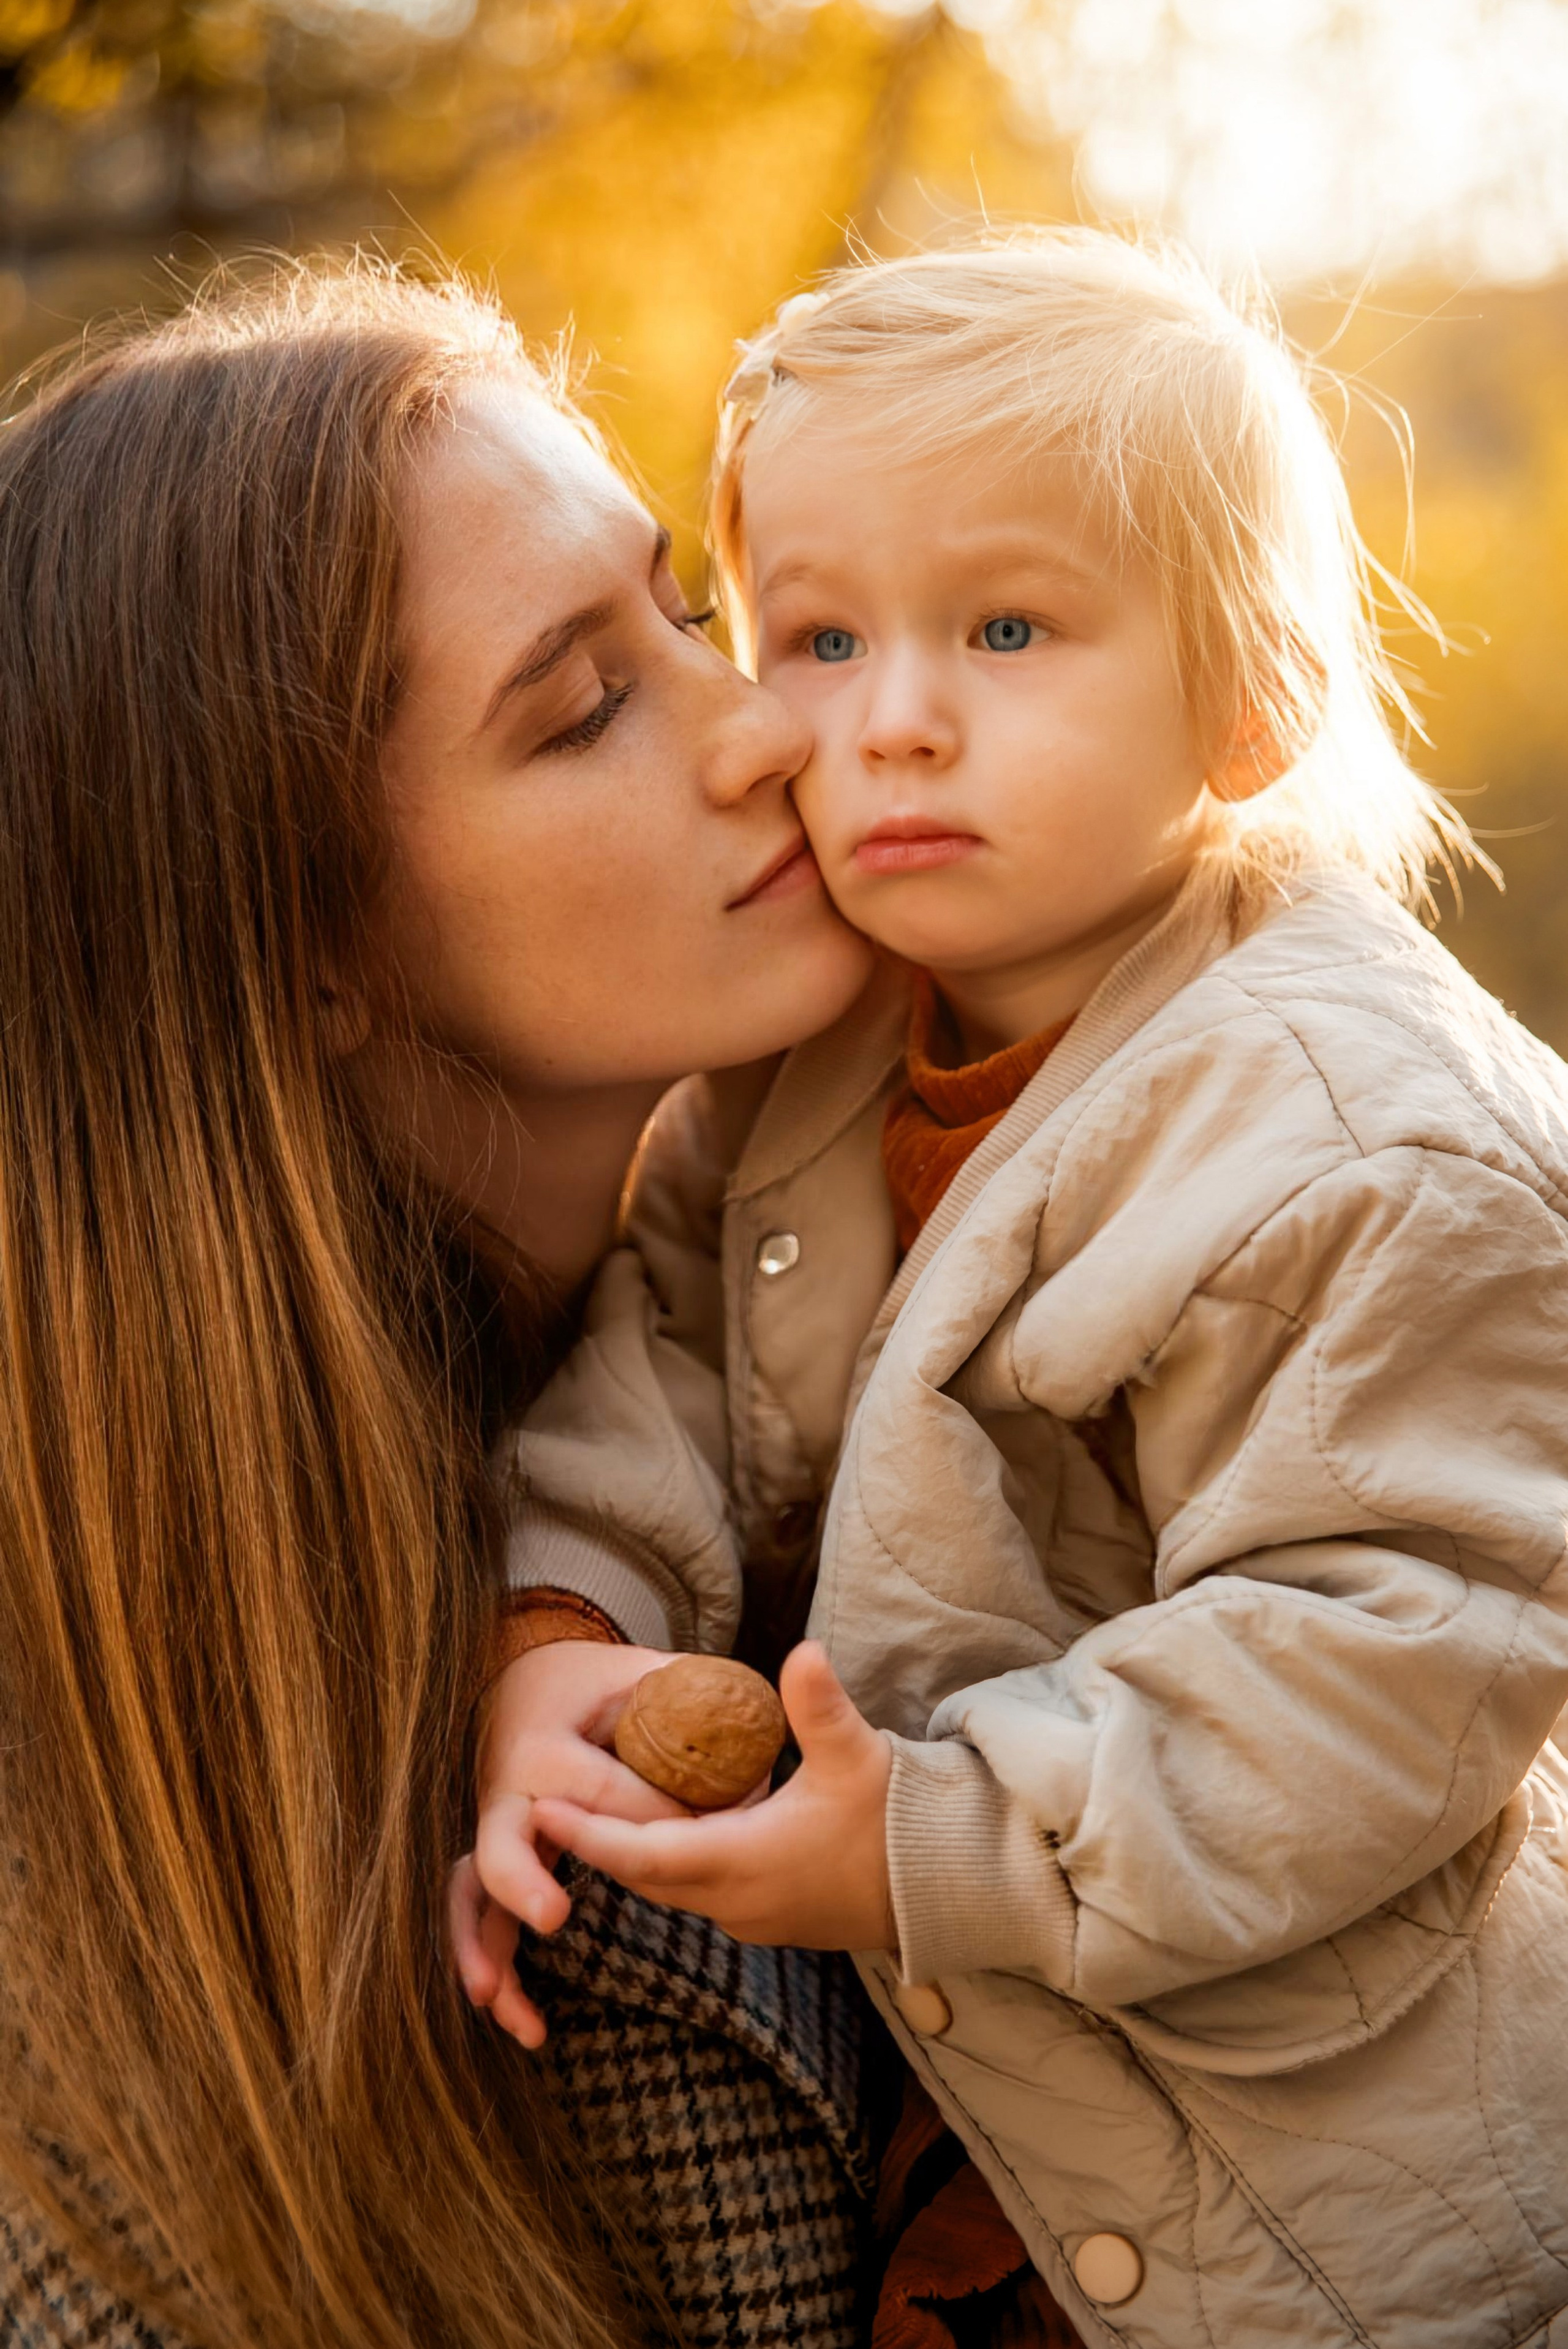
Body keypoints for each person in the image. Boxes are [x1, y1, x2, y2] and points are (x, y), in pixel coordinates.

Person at [469, 231, 1568, 2349]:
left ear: (1249, 698)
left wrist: (942, 1840)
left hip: (1353, 2210)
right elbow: (658, 1369)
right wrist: (559, 1631)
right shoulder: (814, 1054)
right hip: (1005, 2166)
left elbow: (1394, 1649)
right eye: (814, 632)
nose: (888, 721)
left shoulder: (1364, 1137)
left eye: (1004, 626)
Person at [0, 259, 883, 2349]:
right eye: (584, 706)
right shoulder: (181, 1900)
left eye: (685, 612)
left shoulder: (1016, 1206)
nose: (765, 724)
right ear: (307, 955)